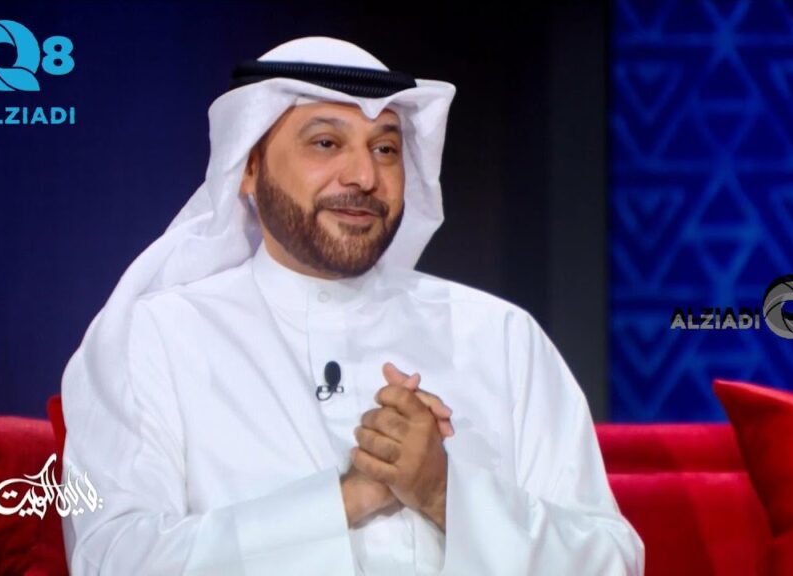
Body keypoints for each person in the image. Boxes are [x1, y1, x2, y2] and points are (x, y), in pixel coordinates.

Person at [60, 36, 644, 575]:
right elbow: (113, 559)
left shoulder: (501, 337)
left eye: (385, 148)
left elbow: (612, 560)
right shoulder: (153, 340)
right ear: (249, 166)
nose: (364, 176)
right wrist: (347, 499)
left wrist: (444, 492)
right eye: (326, 143)